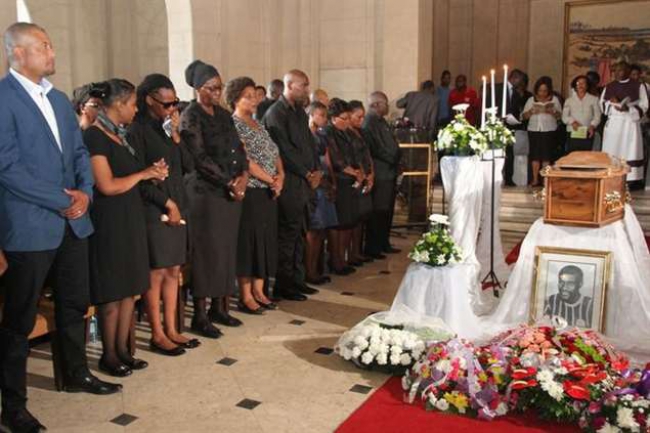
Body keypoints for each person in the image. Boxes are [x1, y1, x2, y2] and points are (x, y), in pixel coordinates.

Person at [0, 23, 122, 433]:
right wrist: (63, 199)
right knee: (18, 321)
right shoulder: (3, 98)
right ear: (18, 53)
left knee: (74, 304)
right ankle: (13, 406)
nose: (52, 52)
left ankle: (76, 375)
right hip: (31, 224)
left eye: (51, 44)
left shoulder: (55, 97)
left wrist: (85, 192)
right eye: (43, 46)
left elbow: (77, 151)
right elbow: (7, 167)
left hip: (73, 222)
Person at [85, 79, 162, 377]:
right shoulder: (95, 137)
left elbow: (132, 178)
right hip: (109, 223)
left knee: (130, 290)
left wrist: (152, 174)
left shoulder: (122, 136)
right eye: (132, 103)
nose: (135, 108)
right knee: (112, 294)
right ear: (117, 104)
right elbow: (106, 185)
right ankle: (109, 355)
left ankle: (124, 351)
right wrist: (143, 174)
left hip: (130, 219)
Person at [129, 73, 199, 356]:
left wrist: (176, 134)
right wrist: (166, 203)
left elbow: (188, 165)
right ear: (149, 100)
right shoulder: (137, 130)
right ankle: (157, 333)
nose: (172, 109)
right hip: (154, 208)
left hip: (177, 205)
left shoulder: (165, 129)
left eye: (175, 104)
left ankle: (172, 329)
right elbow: (140, 177)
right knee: (156, 272)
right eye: (167, 104)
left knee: (173, 270)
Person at [180, 60, 249, 337]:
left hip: (231, 192)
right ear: (198, 89)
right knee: (207, 253)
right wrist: (228, 181)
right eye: (212, 88)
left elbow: (238, 146)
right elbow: (198, 157)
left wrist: (243, 174)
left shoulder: (222, 115)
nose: (218, 93)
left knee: (226, 250)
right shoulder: (190, 116)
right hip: (205, 193)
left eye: (220, 88)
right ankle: (199, 314)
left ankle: (220, 307)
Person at [226, 76, 284, 314]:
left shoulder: (258, 123)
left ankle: (260, 291)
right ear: (235, 100)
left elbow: (275, 152)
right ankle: (246, 295)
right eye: (247, 96)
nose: (254, 100)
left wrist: (281, 175)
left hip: (270, 190)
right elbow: (246, 161)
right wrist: (271, 180)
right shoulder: (234, 125)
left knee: (265, 241)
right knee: (249, 243)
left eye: (254, 95)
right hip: (251, 191)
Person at [263, 70, 322, 301]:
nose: (307, 90)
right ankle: (283, 285)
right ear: (289, 85)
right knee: (287, 235)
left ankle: (297, 280)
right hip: (290, 183)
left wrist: (317, 170)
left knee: (300, 233)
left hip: (305, 183)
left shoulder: (298, 112)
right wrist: (307, 173)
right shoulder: (276, 113)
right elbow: (283, 151)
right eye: (303, 85)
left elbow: (310, 144)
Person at [321, 98, 363, 274]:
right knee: (338, 224)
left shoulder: (347, 132)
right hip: (338, 180)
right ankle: (336, 260)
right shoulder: (328, 133)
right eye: (343, 118)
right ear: (333, 118)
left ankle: (343, 258)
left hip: (350, 180)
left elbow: (357, 153)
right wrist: (354, 173)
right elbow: (336, 160)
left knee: (349, 222)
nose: (347, 122)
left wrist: (360, 171)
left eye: (348, 118)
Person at [362, 92, 402, 259]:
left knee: (387, 211)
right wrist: (393, 158)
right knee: (379, 211)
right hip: (381, 172)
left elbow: (391, 142)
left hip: (389, 171)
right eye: (385, 103)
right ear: (376, 105)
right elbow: (376, 148)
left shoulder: (382, 121)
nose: (388, 106)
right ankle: (374, 246)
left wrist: (398, 159)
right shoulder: (369, 122)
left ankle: (384, 242)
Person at [601, 61, 649, 188]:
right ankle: (612, 176)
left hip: (629, 123)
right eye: (616, 70)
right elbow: (602, 104)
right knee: (613, 150)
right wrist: (611, 103)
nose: (617, 73)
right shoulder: (609, 86)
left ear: (628, 71)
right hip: (615, 123)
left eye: (621, 70)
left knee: (629, 150)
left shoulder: (639, 86)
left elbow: (644, 105)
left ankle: (630, 180)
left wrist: (628, 109)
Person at [306, 101, 338, 284]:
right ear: (311, 115)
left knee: (321, 230)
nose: (324, 119)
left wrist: (332, 181)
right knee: (313, 229)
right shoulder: (305, 135)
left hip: (323, 182)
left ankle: (316, 268)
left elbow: (327, 161)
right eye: (321, 115)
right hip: (312, 183)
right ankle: (309, 270)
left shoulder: (321, 135)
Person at [347, 100, 374, 266]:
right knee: (353, 218)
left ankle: (357, 252)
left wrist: (372, 174)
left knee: (362, 217)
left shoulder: (361, 132)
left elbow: (368, 154)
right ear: (349, 115)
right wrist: (361, 175)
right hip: (355, 178)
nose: (361, 120)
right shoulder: (346, 134)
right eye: (358, 117)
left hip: (365, 176)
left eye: (363, 117)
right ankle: (349, 254)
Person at [522, 76, 562, 187]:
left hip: (549, 129)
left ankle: (545, 180)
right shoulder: (531, 100)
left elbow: (560, 116)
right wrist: (531, 112)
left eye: (545, 90)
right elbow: (524, 116)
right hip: (534, 129)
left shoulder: (554, 100)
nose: (542, 93)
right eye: (540, 90)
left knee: (546, 156)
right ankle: (535, 179)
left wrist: (552, 111)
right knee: (535, 156)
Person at [562, 75, 601, 153]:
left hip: (587, 131)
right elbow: (564, 117)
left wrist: (592, 126)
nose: (580, 85)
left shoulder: (594, 99)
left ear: (587, 86)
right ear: (575, 86)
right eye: (578, 83)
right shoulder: (569, 100)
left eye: (583, 83)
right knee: (572, 156)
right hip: (573, 131)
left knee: (585, 156)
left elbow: (597, 116)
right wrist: (572, 122)